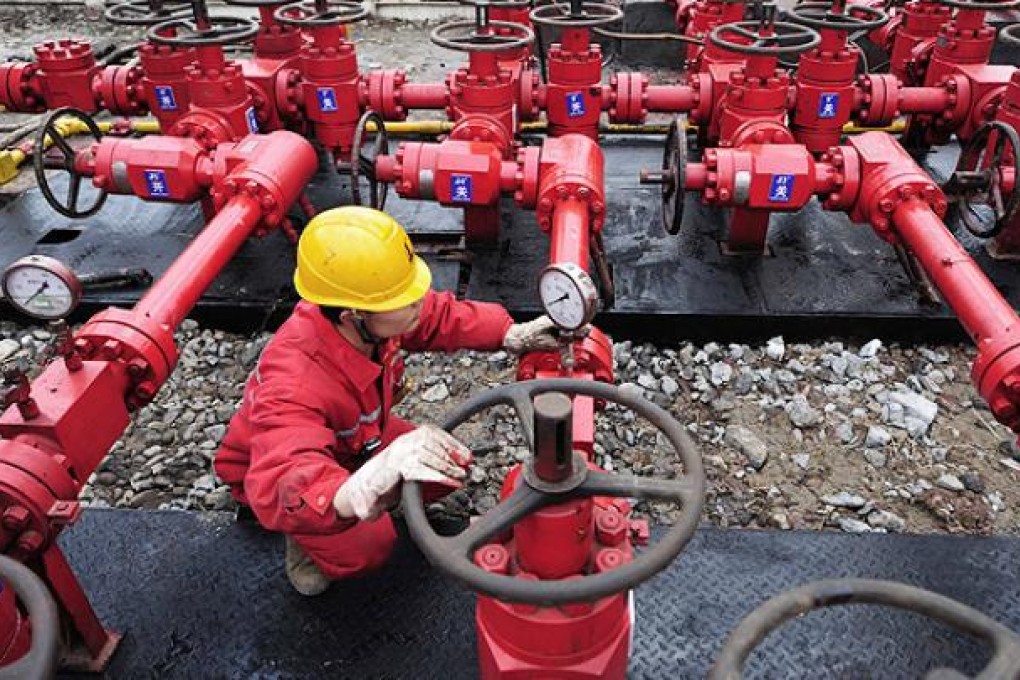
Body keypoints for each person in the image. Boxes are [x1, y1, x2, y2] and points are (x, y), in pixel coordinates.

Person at [214, 206, 559, 596]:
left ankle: (377, 500)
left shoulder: (372, 318)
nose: (418, 303)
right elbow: (282, 477)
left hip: (359, 434)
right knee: (370, 547)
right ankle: (307, 543)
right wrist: (350, 491)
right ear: (352, 315)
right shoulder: (292, 383)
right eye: (405, 300)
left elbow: (435, 316)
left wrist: (510, 334)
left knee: (449, 467)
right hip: (301, 480)